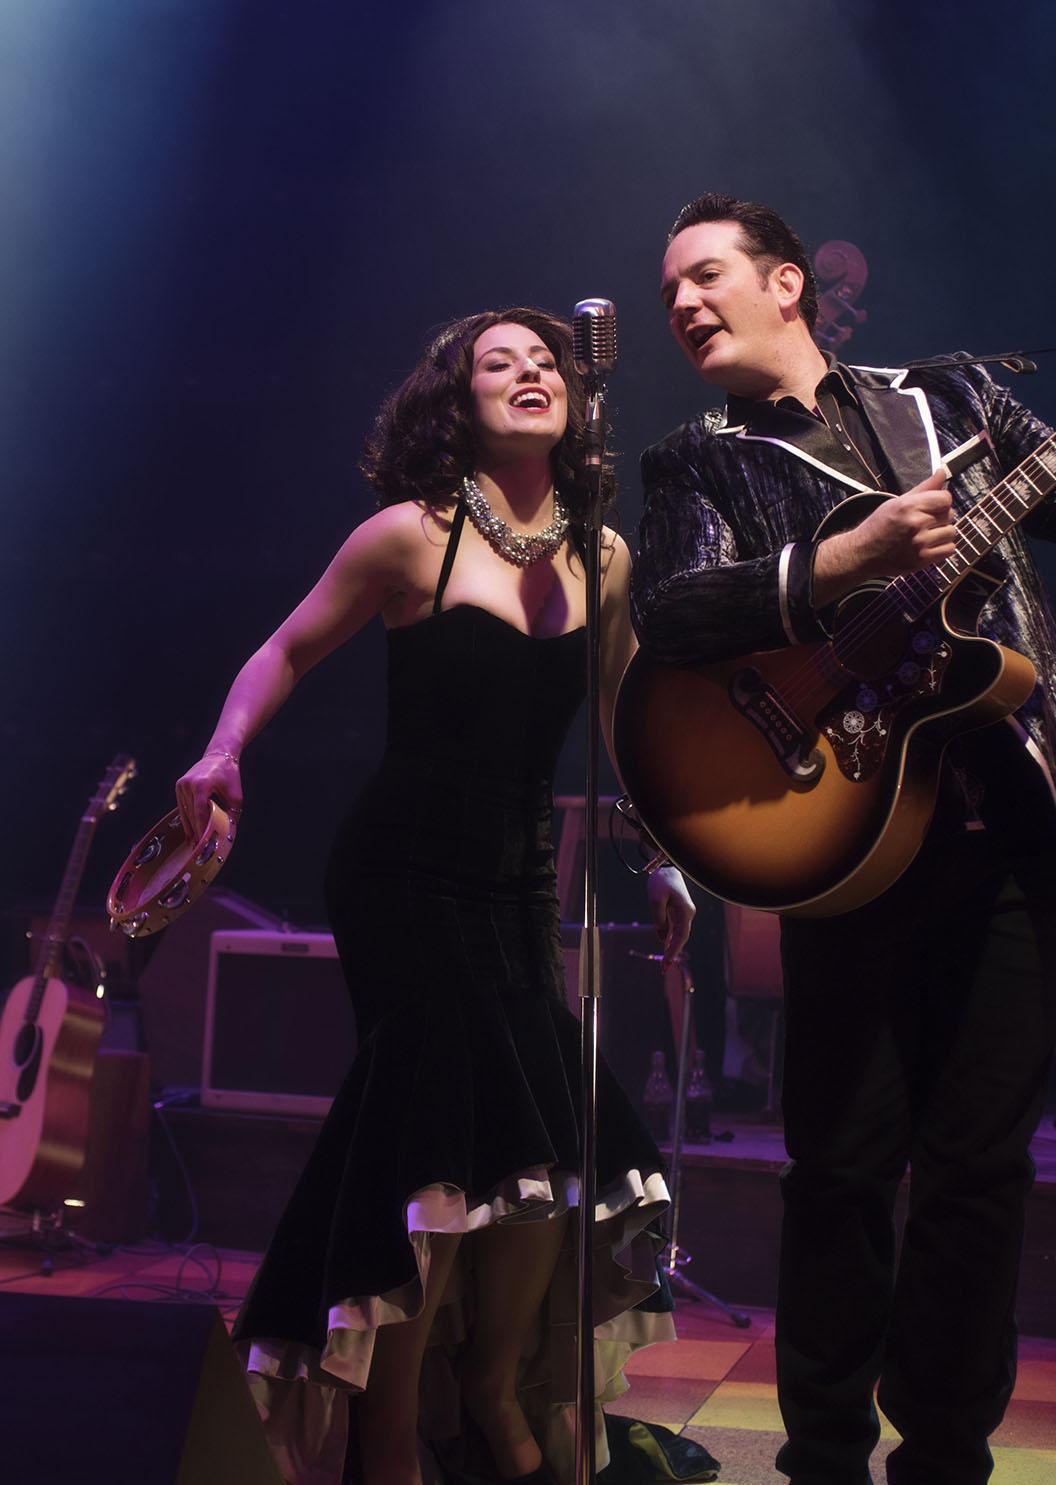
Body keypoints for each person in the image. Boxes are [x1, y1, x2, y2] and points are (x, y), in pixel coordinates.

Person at [630, 194, 1056, 1485]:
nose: (680, 303)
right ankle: (824, 1457)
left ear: (788, 284)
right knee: (840, 1169)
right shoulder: (697, 461)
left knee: (980, 1172)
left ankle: (947, 1456)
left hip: (1020, 827)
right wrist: (844, 560)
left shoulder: (946, 398)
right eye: (668, 289)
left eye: (704, 275)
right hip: (843, 840)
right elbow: (673, 613)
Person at [176, 307, 695, 1485]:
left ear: (575, 397)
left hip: (518, 885)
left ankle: (492, 1387)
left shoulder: (607, 555)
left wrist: (662, 854)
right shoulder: (411, 536)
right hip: (402, 873)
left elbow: (627, 721)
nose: (530, 373)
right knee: (441, 1138)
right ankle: (388, 1427)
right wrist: (222, 750)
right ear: (458, 403)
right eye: (498, 363)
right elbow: (286, 649)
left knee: (542, 1141)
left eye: (545, 361)